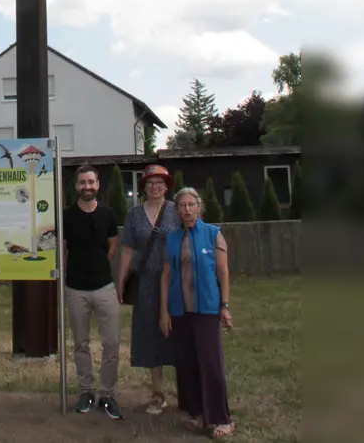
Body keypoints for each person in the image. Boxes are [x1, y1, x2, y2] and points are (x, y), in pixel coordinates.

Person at [159, 186, 235, 439]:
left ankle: (221, 419)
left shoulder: (214, 234)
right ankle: (198, 414)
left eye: (191, 204)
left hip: (207, 310)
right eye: (182, 205)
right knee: (188, 363)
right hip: (180, 311)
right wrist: (164, 312)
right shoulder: (172, 238)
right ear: (177, 211)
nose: (187, 209)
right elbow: (166, 276)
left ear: (199, 207)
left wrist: (224, 306)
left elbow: (223, 273)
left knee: (210, 363)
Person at [115, 164, 179, 416]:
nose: (155, 186)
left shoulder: (178, 209)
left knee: (180, 332)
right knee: (152, 335)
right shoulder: (134, 214)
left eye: (160, 182)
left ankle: (188, 392)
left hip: (177, 281)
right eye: (150, 183)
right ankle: (158, 392)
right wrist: (120, 283)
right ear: (143, 187)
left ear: (167, 185)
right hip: (146, 282)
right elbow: (127, 250)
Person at [63, 165, 123, 419]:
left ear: (98, 185)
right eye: (82, 182)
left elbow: (112, 247)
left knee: (112, 343)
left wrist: (99, 266)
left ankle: (107, 395)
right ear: (75, 186)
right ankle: (86, 392)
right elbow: (64, 249)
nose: (87, 186)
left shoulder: (108, 214)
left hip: (104, 287)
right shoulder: (66, 215)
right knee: (81, 344)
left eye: (91, 182)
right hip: (76, 289)